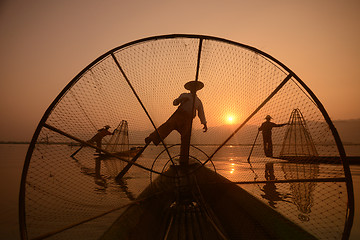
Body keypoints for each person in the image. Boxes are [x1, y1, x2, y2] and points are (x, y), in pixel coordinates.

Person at [145, 80, 207, 164]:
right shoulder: (185, 95)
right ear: (190, 88)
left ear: (197, 89)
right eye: (192, 87)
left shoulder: (198, 101)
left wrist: (204, 123)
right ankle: (152, 137)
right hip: (179, 115)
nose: (193, 89)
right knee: (167, 126)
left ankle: (183, 159)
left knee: (186, 138)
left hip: (188, 120)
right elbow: (174, 103)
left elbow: (201, 113)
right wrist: (180, 99)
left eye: (195, 87)